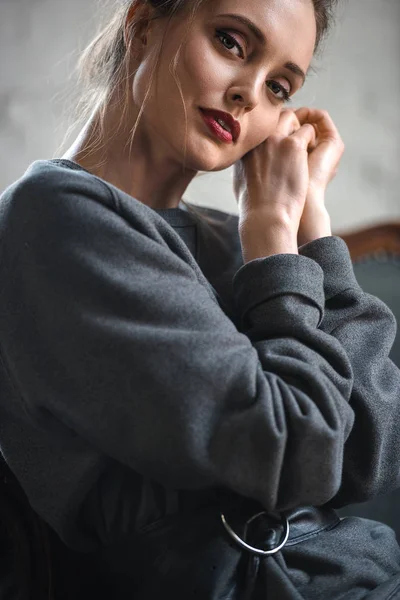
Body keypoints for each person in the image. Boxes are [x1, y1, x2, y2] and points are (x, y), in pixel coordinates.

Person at [1, 0, 400, 598]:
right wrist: (270, 234)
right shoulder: (55, 214)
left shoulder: (235, 239)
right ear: (143, 24)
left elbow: (376, 448)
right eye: (232, 42)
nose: (249, 94)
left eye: (279, 85)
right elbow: (292, 450)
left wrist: (311, 225)